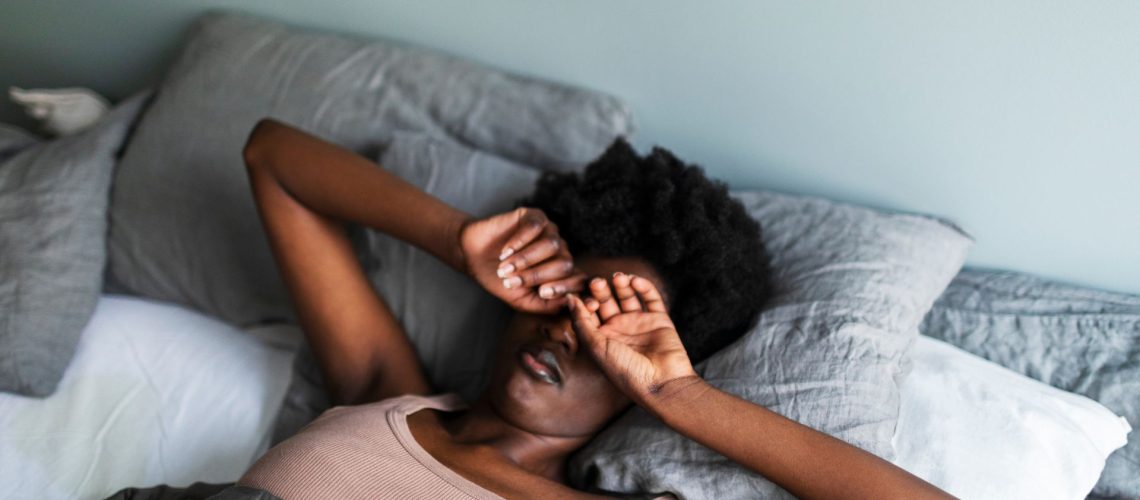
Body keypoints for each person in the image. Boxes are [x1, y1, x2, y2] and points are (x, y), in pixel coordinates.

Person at [227, 118, 950, 500]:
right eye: (567, 299)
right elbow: (273, 156)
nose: (566, 333)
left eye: (605, 331)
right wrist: (461, 244)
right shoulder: (383, 396)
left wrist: (681, 395)